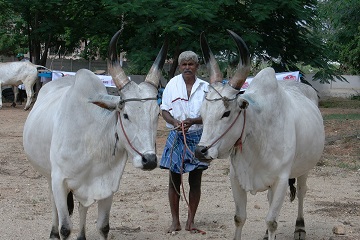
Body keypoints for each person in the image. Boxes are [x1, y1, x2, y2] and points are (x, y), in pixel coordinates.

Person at [160, 51, 209, 234]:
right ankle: (175, 222)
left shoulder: (206, 88)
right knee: (173, 180)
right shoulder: (172, 84)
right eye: (184, 64)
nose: (187, 67)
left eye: (191, 64)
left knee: (195, 181)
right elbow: (164, 110)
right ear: (180, 66)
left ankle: (190, 221)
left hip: (198, 137)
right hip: (176, 135)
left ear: (197, 67)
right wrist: (174, 123)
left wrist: (193, 121)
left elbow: (210, 114)